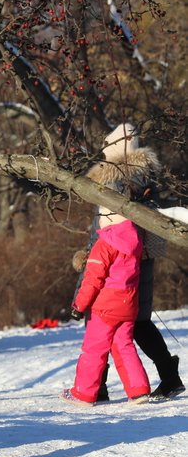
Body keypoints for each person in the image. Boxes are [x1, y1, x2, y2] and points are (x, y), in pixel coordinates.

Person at [78, 123, 184, 400]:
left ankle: (98, 386)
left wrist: (89, 255)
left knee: (103, 320)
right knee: (135, 320)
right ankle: (168, 375)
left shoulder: (112, 177)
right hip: (142, 255)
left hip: (113, 256)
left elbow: (108, 226)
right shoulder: (145, 175)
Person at [64, 204, 152, 405]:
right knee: (125, 346)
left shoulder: (104, 245)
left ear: (108, 219)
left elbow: (93, 279)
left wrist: (79, 305)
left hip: (105, 307)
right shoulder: (135, 244)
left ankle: (83, 393)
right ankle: (139, 390)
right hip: (128, 304)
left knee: (94, 349)